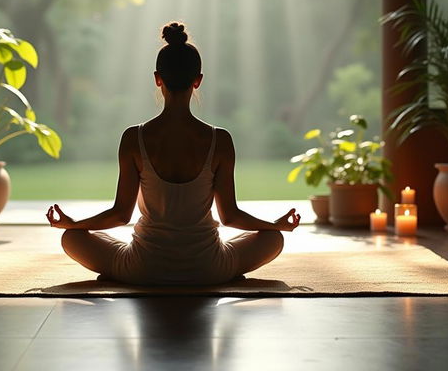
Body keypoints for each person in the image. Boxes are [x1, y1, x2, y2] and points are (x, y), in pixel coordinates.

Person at [46, 22, 301, 285]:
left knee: (71, 238)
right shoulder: (220, 140)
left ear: (158, 79)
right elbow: (230, 216)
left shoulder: (134, 137)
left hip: (143, 269)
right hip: (208, 269)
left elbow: (121, 215)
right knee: (273, 239)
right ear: (198, 80)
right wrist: (275, 225)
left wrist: (73, 223)